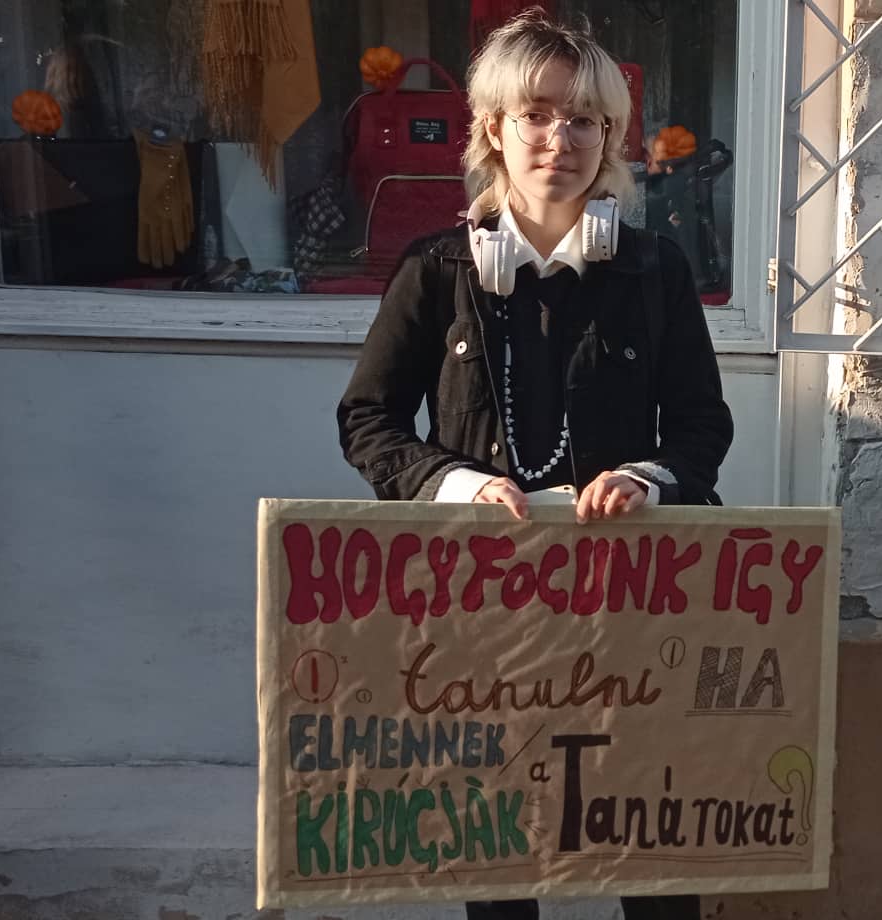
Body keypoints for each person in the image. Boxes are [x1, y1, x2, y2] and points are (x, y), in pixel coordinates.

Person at [335, 12, 731, 920]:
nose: (562, 139)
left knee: (650, 841)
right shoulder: (436, 270)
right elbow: (369, 420)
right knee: (498, 849)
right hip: (484, 609)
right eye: (538, 115)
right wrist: (458, 485)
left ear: (612, 138)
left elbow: (701, 425)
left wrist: (647, 478)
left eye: (584, 119)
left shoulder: (656, 271)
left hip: (627, 603)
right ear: (493, 130)